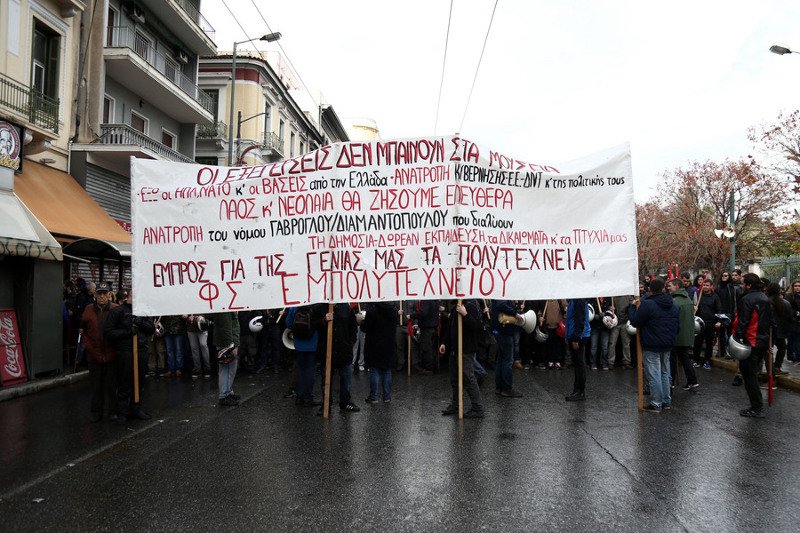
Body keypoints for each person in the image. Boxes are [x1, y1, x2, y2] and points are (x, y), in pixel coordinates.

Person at [104, 288, 154, 424]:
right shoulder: (118, 311)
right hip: (125, 352)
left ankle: (136, 408)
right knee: (124, 381)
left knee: (139, 382)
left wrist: (141, 322)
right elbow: (109, 333)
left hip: (141, 351)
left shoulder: (143, 311)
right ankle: (122, 412)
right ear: (128, 296)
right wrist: (128, 332)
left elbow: (151, 329)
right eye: (133, 295)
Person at [628, 278, 679, 413]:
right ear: (663, 288)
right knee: (664, 372)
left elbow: (635, 321)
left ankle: (656, 403)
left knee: (654, 374)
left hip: (652, 344)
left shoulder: (648, 304)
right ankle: (666, 401)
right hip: (667, 343)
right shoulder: (673, 304)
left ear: (650, 289)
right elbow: (677, 325)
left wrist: (632, 307)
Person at [734, 273, 772, 417]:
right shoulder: (764, 297)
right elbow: (770, 322)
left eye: (743, 283)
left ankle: (756, 407)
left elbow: (743, 322)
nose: (742, 286)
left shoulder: (747, 299)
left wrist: (738, 338)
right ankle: (756, 405)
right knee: (752, 373)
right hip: (762, 340)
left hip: (751, 341)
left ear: (749, 285)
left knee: (749, 374)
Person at [439, 299, 485, 418]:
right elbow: (450, 328)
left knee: (468, 379)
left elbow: (477, 326)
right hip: (455, 350)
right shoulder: (455, 308)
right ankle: (456, 405)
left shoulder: (471, 306)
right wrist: (444, 343)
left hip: (466, 350)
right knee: (454, 380)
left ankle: (478, 408)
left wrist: (465, 314)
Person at [80, 281, 118, 422]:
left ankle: (113, 411)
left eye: (104, 294)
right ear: (95, 295)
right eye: (99, 294)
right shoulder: (88, 309)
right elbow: (84, 330)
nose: (101, 297)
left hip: (111, 355)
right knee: (96, 386)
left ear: (109, 295)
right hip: (94, 356)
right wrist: (91, 349)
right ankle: (96, 412)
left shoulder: (116, 309)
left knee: (111, 385)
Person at [322, 303, 360, 413]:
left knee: (346, 379)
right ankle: (326, 404)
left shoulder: (346, 307)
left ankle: (345, 402)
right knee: (326, 379)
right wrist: (324, 320)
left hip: (344, 350)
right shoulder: (321, 306)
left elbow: (353, 326)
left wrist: (350, 342)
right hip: (327, 350)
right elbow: (315, 325)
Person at [286, 304, 326, 407]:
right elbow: (319, 325)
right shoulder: (315, 308)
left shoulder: (294, 307)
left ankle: (299, 397)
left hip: (298, 344)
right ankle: (308, 398)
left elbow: (289, 324)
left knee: (300, 370)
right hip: (312, 344)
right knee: (310, 372)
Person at [362, 301, 397, 403]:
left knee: (375, 369)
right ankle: (387, 396)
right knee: (387, 370)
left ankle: (374, 396)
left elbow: (365, 328)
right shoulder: (393, 311)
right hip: (389, 344)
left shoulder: (372, 311)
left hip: (374, 344)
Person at [667, 278, 699, 391]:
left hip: (677, 335)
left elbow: (672, 320)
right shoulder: (687, 299)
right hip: (686, 335)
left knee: (672, 359)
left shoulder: (675, 301)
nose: (668, 287)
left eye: (670, 285)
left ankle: (670, 382)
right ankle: (692, 381)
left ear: (676, 286)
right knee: (685, 358)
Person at [492, 300, 523, 397]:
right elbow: (501, 304)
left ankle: (499, 387)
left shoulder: (499, 294)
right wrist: (515, 313)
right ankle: (507, 388)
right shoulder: (503, 296)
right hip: (505, 332)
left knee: (501, 360)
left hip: (501, 331)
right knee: (508, 361)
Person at [564, 298, 590, 401]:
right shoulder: (573, 300)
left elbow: (580, 320)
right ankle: (576, 390)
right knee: (577, 364)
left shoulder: (579, 300)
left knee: (579, 364)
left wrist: (575, 339)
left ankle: (580, 392)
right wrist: (568, 336)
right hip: (574, 335)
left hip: (579, 336)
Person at [213, 312, 241, 406]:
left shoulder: (226, 304)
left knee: (229, 369)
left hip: (227, 341)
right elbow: (225, 326)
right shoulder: (225, 305)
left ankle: (227, 392)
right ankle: (224, 395)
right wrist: (230, 345)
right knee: (226, 369)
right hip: (227, 342)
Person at [693, 278, 721, 370]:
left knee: (709, 343)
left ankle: (707, 361)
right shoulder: (698, 295)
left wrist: (718, 321)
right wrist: (694, 308)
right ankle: (695, 360)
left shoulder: (715, 297)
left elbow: (719, 310)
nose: (705, 287)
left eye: (707, 285)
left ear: (711, 287)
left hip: (710, 323)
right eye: (704, 285)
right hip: (700, 323)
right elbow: (693, 307)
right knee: (697, 342)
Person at [767, 283, 792, 375]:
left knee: (768, 351)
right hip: (781, 331)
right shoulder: (786, 303)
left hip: (769, 331)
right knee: (782, 348)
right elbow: (789, 318)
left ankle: (771, 370)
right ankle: (777, 367)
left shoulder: (767, 302)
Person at [608, 295, 634, 368]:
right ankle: (611, 362)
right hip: (615, 322)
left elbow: (632, 305)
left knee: (626, 343)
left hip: (625, 322)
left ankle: (627, 361)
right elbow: (606, 305)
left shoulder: (628, 296)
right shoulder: (612, 295)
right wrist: (609, 308)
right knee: (612, 343)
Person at [186, 314, 211, 378]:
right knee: (194, 348)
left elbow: (210, 311)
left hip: (202, 326)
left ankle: (207, 368)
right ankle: (197, 369)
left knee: (203, 345)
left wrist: (202, 316)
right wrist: (187, 317)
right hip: (191, 328)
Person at [787, 279, 800, 364]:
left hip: (797, 321)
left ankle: (792, 355)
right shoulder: (789, 296)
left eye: (799, 286)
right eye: (795, 286)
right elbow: (788, 309)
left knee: (794, 339)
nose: (797, 288)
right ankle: (795, 356)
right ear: (792, 287)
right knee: (794, 339)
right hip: (792, 321)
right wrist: (797, 313)